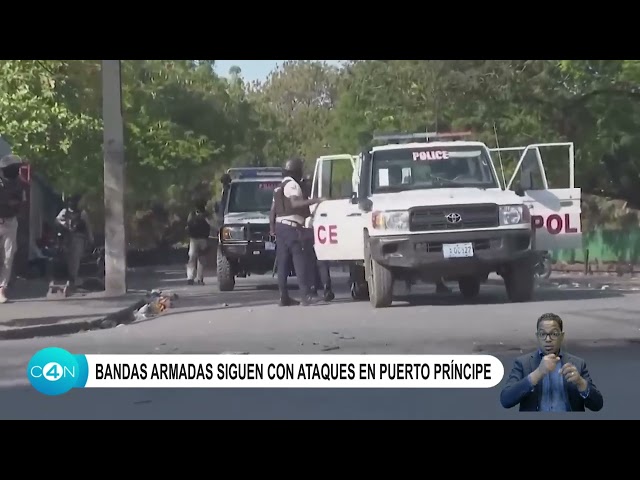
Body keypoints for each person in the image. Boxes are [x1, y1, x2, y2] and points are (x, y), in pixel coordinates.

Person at [499, 312, 604, 412]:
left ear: (562, 336)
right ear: (537, 336)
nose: (548, 339)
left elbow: (597, 405)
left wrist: (581, 383)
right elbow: (506, 400)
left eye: (554, 334)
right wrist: (537, 374)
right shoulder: (523, 363)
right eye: (542, 334)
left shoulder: (577, 364)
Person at [272, 158, 324, 306]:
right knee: (299, 260)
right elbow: (295, 203)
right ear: (296, 171)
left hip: (280, 227)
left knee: (282, 263)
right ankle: (306, 295)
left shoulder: (278, 188)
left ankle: (283, 297)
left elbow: (272, 212)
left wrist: (273, 229)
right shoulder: (292, 185)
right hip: (292, 227)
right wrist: (316, 200)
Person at [0, 155, 25, 303]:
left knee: (8, 256)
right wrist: (9, 202)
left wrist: (9, 203)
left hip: (10, 222)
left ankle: (2, 289)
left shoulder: (20, 183)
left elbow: (20, 202)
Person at [55, 194, 94, 287]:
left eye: (74, 201)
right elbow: (57, 221)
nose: (72, 203)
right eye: (70, 201)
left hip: (78, 238)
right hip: (67, 238)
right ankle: (70, 277)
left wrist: (91, 239)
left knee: (76, 259)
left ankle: (73, 277)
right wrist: (66, 225)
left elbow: (88, 227)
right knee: (68, 258)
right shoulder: (64, 212)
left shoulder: (82, 213)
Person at [185, 199, 211, 286]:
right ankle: (196, 278)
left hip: (196, 239)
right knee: (198, 259)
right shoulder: (204, 215)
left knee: (193, 258)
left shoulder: (193, 214)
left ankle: (192, 278)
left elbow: (188, 225)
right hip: (199, 239)